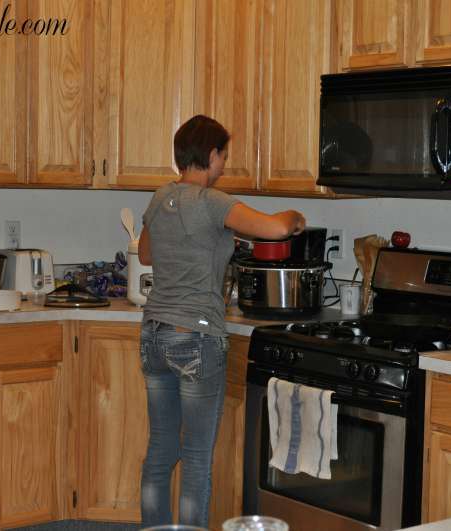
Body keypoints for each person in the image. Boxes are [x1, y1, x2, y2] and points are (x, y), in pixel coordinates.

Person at [137, 114, 306, 528]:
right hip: (194, 336)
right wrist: (296, 217)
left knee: (161, 449)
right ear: (211, 155)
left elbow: (145, 254)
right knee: (195, 457)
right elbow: (275, 229)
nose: (225, 166)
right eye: (224, 157)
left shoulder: (160, 198)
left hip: (154, 334)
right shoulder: (214, 202)